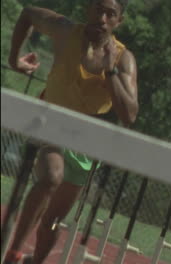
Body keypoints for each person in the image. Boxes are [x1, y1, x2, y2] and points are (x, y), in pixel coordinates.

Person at [5, 0, 138, 263]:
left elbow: (129, 115)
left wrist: (110, 70)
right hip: (49, 122)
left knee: (52, 222)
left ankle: (35, 260)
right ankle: (13, 254)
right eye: (98, 9)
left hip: (86, 141)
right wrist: (14, 61)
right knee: (52, 177)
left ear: (118, 21)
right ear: (89, 9)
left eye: (110, 14)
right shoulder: (66, 31)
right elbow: (28, 14)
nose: (102, 18)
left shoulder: (123, 59)